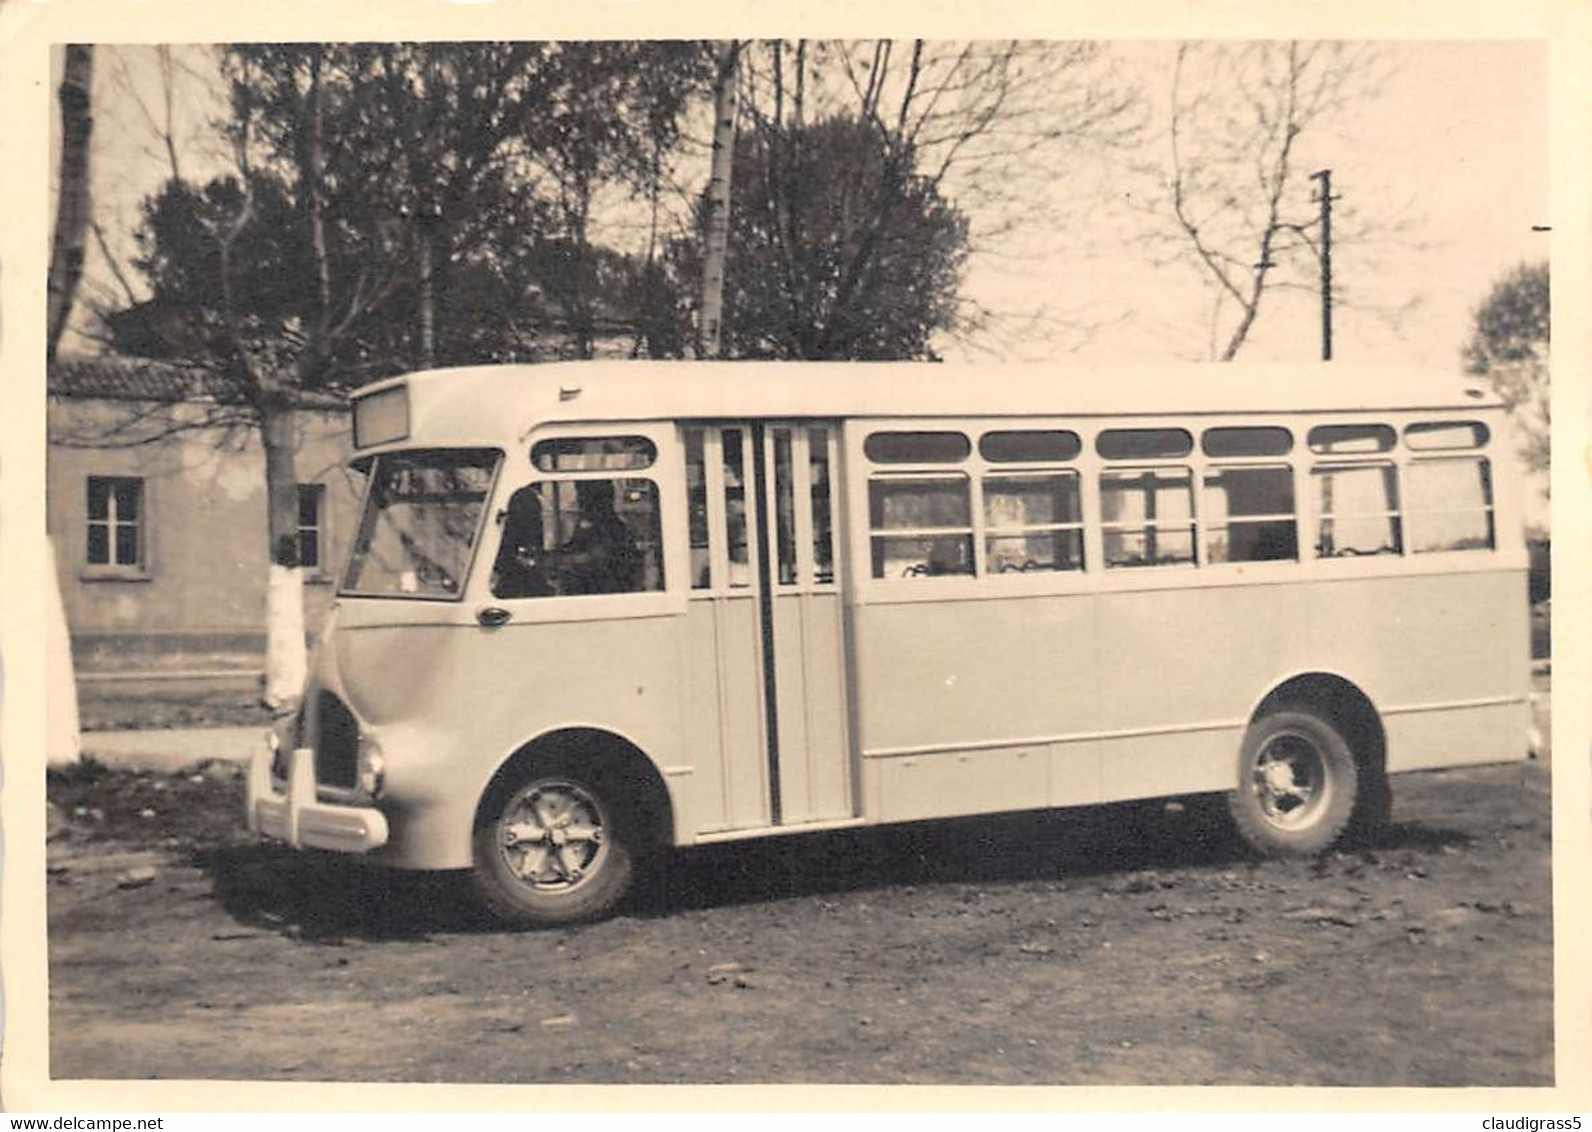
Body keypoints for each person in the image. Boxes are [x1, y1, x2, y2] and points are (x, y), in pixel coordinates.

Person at [550, 480, 644, 595]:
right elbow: (577, 545)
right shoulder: (586, 523)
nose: (579, 501)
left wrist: (569, 559)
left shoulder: (612, 527)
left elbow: (599, 558)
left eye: (583, 497)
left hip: (607, 588)